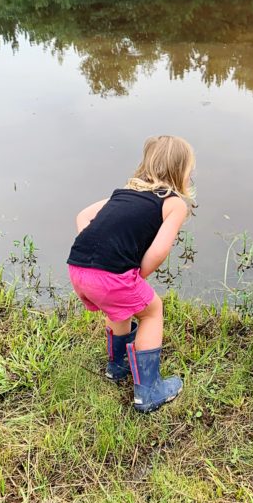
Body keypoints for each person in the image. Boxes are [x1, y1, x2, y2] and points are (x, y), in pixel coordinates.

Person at [67, 135, 195, 413]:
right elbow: (159, 251)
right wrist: (138, 274)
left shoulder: (122, 193)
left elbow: (82, 217)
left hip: (77, 267)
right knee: (151, 311)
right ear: (183, 170)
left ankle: (118, 366)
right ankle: (148, 391)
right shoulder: (174, 204)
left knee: (119, 308)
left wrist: (99, 256)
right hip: (111, 276)